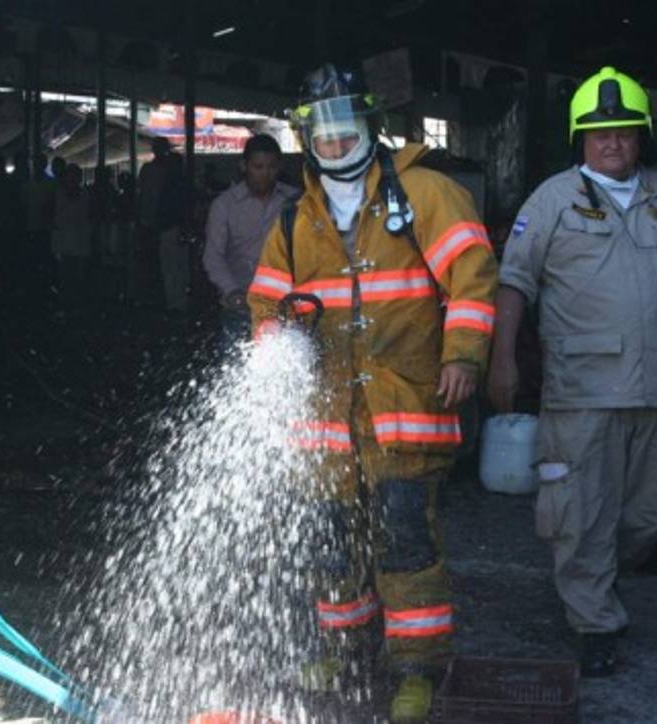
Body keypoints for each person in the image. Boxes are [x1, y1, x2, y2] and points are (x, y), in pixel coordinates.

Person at [248, 64, 498, 722]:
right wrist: (278, 343)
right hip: (326, 420)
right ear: (307, 138)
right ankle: (341, 645)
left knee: (407, 542)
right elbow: (266, 303)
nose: (333, 143)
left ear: (369, 127)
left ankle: (415, 669)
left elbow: (472, 275)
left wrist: (465, 355)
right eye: (321, 133)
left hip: (404, 409)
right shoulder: (297, 217)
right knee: (332, 543)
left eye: (344, 129)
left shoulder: (425, 193)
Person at [487, 67, 657, 678]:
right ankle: (594, 620)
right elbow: (514, 280)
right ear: (581, 139)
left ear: (641, 136)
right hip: (583, 388)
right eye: (599, 133)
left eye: (623, 131)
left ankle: (590, 574)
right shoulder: (552, 199)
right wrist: (503, 356)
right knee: (582, 509)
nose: (612, 142)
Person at [203, 134, 297, 345]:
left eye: (271, 167)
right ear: (243, 166)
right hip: (240, 307)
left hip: (286, 306)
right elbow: (213, 256)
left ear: (279, 167)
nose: (265, 174)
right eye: (258, 167)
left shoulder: (295, 202)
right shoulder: (224, 205)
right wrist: (232, 291)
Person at [138, 137, 190, 314]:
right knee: (177, 266)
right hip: (169, 226)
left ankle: (173, 302)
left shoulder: (156, 175)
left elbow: (146, 199)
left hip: (164, 226)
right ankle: (177, 301)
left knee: (168, 266)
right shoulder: (179, 182)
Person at [49, 158, 94, 306]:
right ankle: (66, 304)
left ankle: (75, 305)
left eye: (76, 176)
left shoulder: (85, 195)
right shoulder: (58, 194)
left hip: (79, 242)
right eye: (71, 175)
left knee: (77, 276)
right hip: (63, 241)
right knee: (64, 277)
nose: (73, 179)